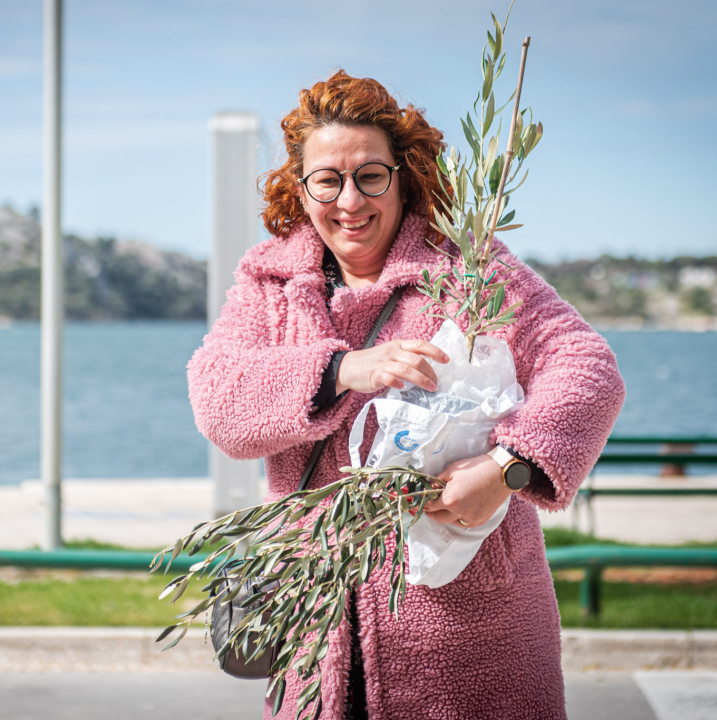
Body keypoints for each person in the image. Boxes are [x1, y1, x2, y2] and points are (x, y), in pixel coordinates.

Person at [187, 70, 625, 720]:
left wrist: (507, 468)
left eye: (369, 175)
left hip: (471, 634)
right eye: (326, 180)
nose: (348, 200)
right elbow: (217, 401)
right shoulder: (269, 285)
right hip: (318, 628)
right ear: (299, 186)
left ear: (403, 175)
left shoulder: (468, 269)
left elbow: (585, 365)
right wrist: (340, 370)